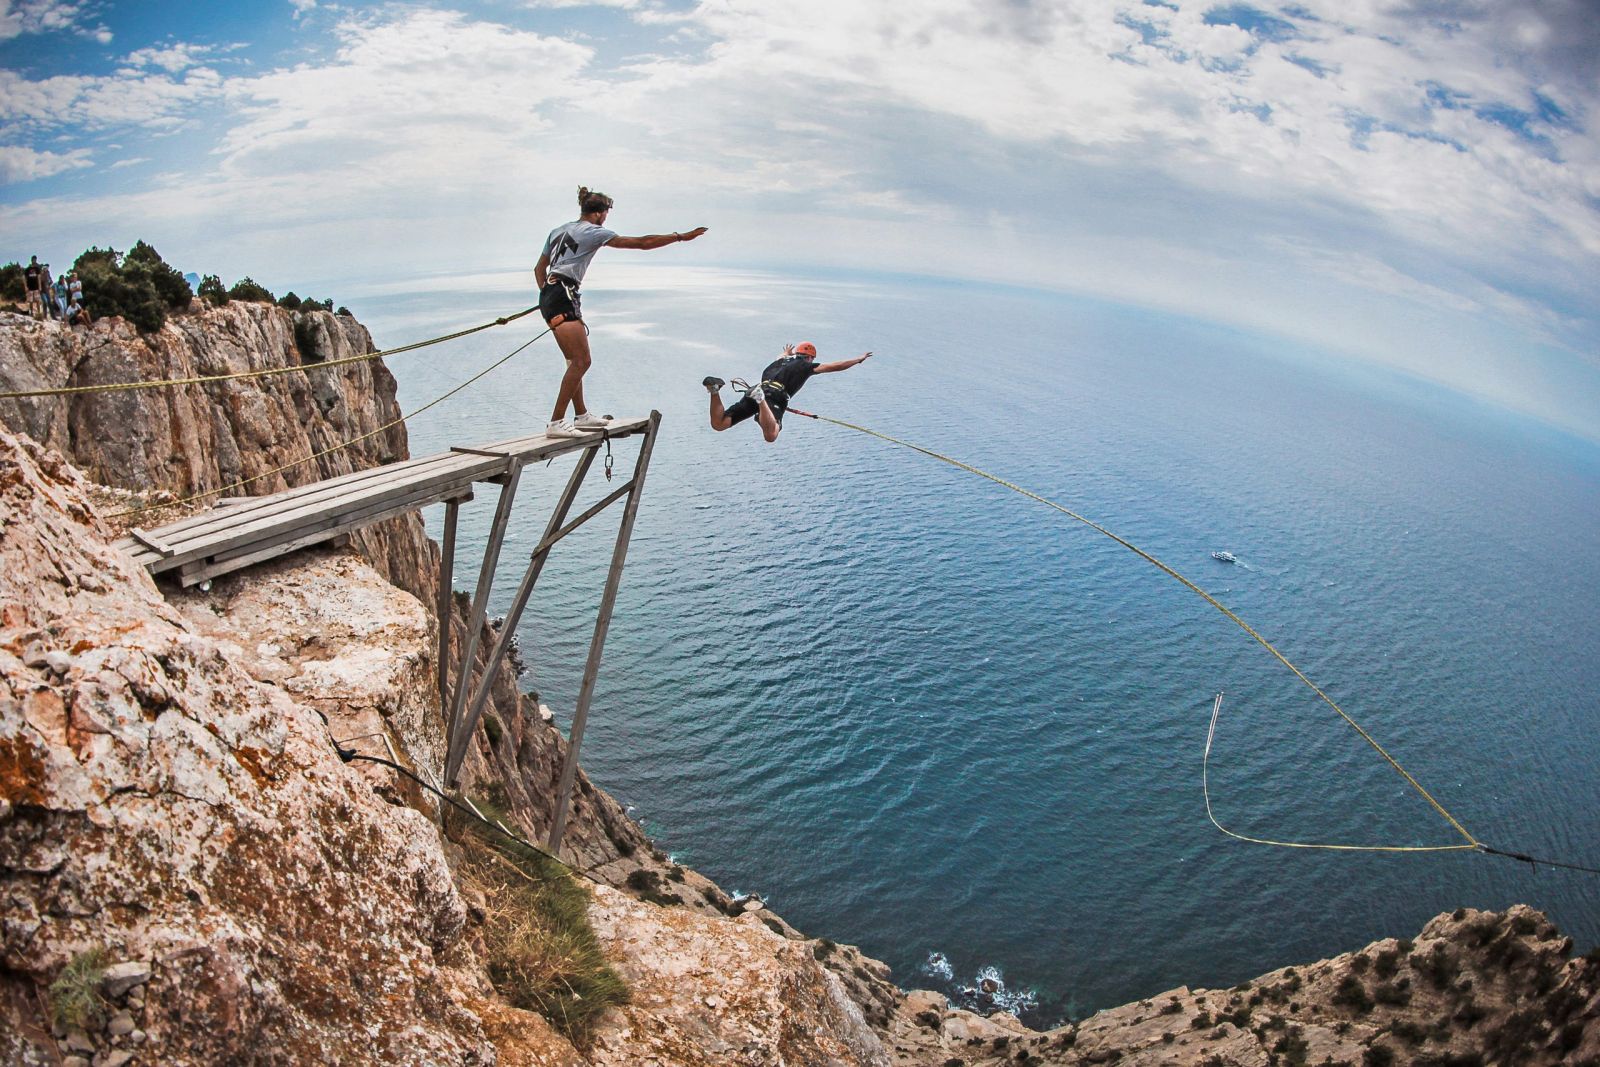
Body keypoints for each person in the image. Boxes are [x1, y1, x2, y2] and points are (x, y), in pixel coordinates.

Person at [534, 186, 707, 438]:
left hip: (554, 294)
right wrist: (680, 236)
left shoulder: (557, 231)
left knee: (574, 360)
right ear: (600, 213)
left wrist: (546, 294)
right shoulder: (593, 232)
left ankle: (581, 415)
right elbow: (642, 243)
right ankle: (556, 422)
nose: (606, 218)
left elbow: (539, 268)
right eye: (606, 213)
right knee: (582, 361)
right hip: (563, 295)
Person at [703, 342, 872, 443]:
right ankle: (760, 401)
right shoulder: (807, 366)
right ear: (810, 357)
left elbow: (780, 355)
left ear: (796, 354)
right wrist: (857, 360)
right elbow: (836, 366)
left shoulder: (780, 361)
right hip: (774, 396)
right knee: (771, 435)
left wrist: (786, 353)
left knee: (719, 424)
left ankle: (714, 390)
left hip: (757, 388)